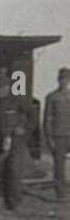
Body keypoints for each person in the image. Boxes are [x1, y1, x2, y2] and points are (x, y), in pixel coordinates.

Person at [0, 75, 35, 210]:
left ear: (8, 88)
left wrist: (24, 129)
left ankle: (15, 202)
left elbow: (33, 115)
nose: (0, 90)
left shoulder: (17, 101)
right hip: (0, 141)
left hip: (15, 140)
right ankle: (6, 200)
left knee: (14, 170)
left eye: (3, 87)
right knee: (3, 171)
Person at [44, 67, 70, 201]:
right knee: (59, 165)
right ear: (58, 80)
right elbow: (47, 119)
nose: (64, 82)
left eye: (66, 79)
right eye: (61, 79)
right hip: (58, 135)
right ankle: (61, 193)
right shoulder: (52, 97)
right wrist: (49, 139)